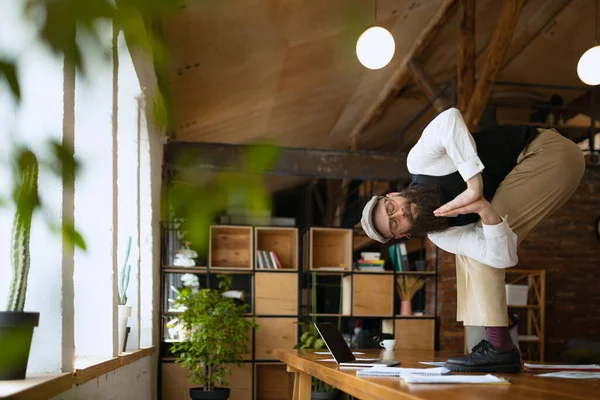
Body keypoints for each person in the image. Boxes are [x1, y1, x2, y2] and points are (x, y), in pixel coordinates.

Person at [361, 107, 585, 373]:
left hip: (548, 152)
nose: (399, 212)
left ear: (394, 194)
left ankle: (499, 347)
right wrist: (482, 208)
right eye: (395, 223)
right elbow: (503, 257)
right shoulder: (440, 234)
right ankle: (486, 344)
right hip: (548, 171)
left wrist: (473, 186)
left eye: (391, 208)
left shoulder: (420, 163)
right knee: (473, 253)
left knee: (479, 249)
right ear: (403, 235)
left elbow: (450, 118)